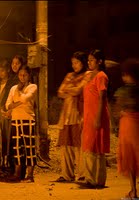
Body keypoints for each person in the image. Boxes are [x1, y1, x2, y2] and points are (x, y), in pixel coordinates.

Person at [55, 51, 91, 182]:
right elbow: (60, 92)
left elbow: (78, 90)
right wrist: (72, 90)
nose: (74, 65)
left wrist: (69, 90)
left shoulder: (87, 75)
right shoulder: (69, 75)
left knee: (79, 145)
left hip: (79, 114)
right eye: (73, 63)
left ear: (82, 62)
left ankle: (82, 174)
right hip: (66, 115)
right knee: (66, 145)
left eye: (77, 62)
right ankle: (66, 174)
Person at [81, 49, 110, 188]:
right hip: (88, 116)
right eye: (88, 60)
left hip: (97, 116)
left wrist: (98, 118)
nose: (89, 62)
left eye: (92, 60)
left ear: (99, 61)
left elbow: (102, 98)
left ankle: (96, 180)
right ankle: (91, 178)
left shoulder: (101, 76)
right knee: (89, 146)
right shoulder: (90, 76)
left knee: (97, 147)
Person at [5, 65, 37, 183]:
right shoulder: (13, 88)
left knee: (29, 147)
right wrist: (13, 105)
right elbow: (7, 104)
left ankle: (30, 175)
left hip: (28, 120)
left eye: (25, 75)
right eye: (20, 75)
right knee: (17, 148)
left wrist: (14, 104)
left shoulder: (32, 87)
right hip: (16, 120)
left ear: (29, 76)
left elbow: (25, 98)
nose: (22, 77)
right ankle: (17, 173)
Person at [114, 58, 139, 199]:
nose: (123, 77)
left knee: (130, 159)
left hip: (129, 125)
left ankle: (133, 191)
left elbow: (119, 108)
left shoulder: (125, 90)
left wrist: (122, 113)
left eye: (125, 74)